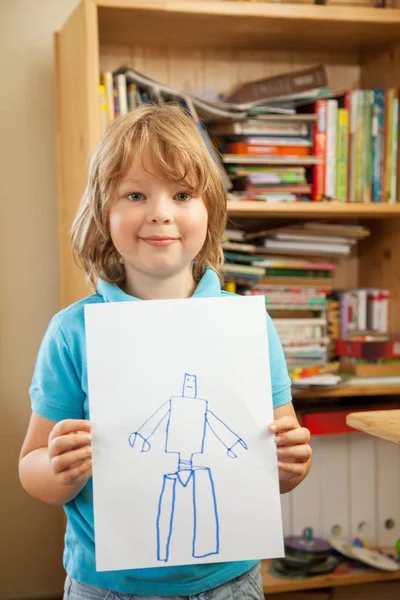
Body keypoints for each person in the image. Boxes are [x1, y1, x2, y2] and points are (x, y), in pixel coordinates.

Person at [19, 104, 312, 600]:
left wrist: (290, 466)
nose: (160, 212)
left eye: (182, 194)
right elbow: (32, 465)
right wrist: (56, 468)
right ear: (103, 212)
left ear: (210, 209)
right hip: (108, 587)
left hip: (229, 582)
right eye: (135, 194)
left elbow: (274, 458)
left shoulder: (247, 327)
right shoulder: (74, 333)